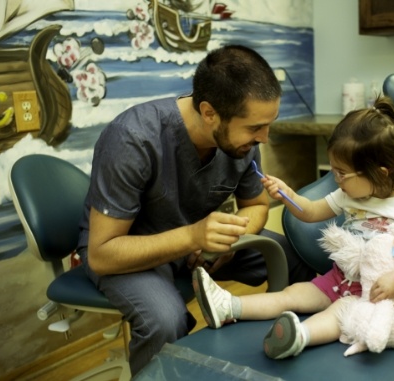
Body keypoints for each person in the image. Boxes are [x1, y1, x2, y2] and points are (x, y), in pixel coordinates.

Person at [76, 45, 316, 376]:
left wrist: (230, 240)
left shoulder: (240, 142)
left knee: (299, 255)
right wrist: (194, 236)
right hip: (128, 249)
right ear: (209, 113)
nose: (264, 137)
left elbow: (257, 206)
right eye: (254, 128)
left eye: (269, 124)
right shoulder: (133, 139)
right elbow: (102, 254)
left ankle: (292, 354)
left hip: (194, 245)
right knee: (164, 320)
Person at [193, 95, 394, 359]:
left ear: (381, 172)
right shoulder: (349, 195)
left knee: (338, 313)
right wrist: (287, 194)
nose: (336, 179)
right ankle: (229, 306)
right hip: (338, 279)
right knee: (292, 294)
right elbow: (310, 212)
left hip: (377, 296)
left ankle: (298, 337)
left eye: (341, 173)